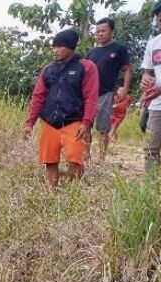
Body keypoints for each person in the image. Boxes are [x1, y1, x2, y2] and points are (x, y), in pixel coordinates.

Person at [23, 29, 99, 188]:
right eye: (54, 46)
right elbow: (38, 96)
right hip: (50, 122)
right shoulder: (48, 69)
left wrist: (86, 123)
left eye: (60, 46)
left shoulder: (86, 67)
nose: (55, 50)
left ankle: (73, 196)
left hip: (74, 122)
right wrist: (30, 122)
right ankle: (52, 194)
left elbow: (91, 97)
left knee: (76, 163)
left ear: (71, 47)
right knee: (49, 162)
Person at [87, 17, 133, 162]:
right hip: (89, 94)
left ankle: (101, 158)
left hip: (106, 93)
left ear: (112, 31)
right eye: (97, 31)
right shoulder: (92, 51)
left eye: (103, 31)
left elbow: (127, 69)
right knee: (86, 125)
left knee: (103, 128)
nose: (100, 34)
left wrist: (125, 88)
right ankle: (85, 156)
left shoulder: (119, 49)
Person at [140, 0, 161, 181]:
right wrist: (146, 81)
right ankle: (153, 192)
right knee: (150, 148)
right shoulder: (153, 43)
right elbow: (148, 71)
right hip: (158, 103)